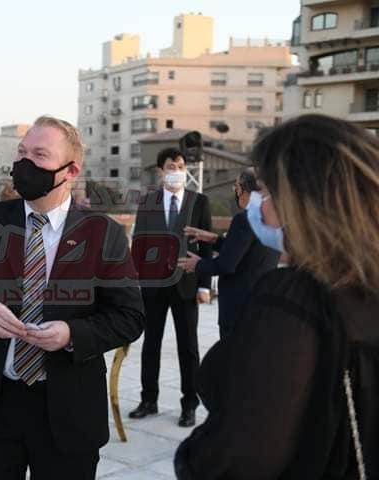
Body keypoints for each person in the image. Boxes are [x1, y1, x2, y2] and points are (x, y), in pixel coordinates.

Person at [0, 116, 145, 479]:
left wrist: (72, 334)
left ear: (70, 171)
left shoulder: (102, 233)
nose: (24, 163)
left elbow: (129, 317)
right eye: (22, 153)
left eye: (40, 155)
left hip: (68, 410)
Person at [175, 114, 379, 478]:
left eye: (268, 193)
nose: (262, 207)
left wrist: (192, 458)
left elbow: (239, 454)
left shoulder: (296, 299)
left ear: (306, 203)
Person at [129, 148, 213, 427]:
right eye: (170, 166)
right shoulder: (147, 202)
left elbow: (206, 247)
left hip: (186, 285)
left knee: (188, 347)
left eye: (180, 166)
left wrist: (204, 285)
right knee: (150, 345)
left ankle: (190, 404)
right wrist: (134, 283)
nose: (176, 171)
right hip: (153, 287)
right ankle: (148, 400)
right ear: (161, 171)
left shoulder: (199, 202)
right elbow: (139, 244)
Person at [179, 168, 281, 338]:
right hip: (262, 304)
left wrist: (197, 265)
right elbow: (248, 253)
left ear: (242, 189)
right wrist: (214, 239)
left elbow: (226, 265)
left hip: (238, 308)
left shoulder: (243, 219)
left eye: (236, 187)